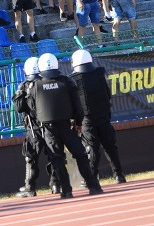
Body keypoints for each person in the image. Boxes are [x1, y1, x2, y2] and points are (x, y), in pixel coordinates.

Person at [28, 53, 103, 198]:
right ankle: (93, 186)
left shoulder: (35, 85)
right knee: (81, 155)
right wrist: (78, 122)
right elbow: (78, 105)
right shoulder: (67, 81)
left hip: (49, 128)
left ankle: (66, 190)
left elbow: (32, 108)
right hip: (67, 126)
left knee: (57, 158)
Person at [70, 49, 126, 183]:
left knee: (91, 147)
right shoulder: (99, 73)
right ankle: (119, 175)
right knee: (110, 146)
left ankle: (92, 177)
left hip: (87, 119)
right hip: (103, 115)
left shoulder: (74, 79)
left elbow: (75, 104)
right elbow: (108, 94)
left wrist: (75, 120)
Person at [12, 57, 60, 197]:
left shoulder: (25, 86)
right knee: (54, 155)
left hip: (34, 128)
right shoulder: (48, 82)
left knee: (31, 157)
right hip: (50, 125)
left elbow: (19, 108)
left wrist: (20, 94)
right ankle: (56, 184)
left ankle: (30, 187)